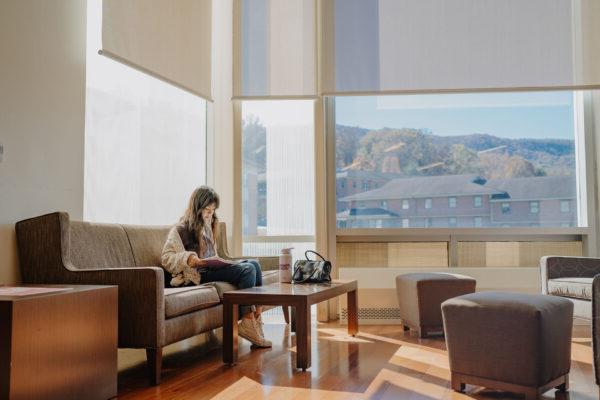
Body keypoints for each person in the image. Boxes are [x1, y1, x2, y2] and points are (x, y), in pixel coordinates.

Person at [161, 186, 271, 348]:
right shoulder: (179, 229)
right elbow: (166, 258)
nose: (209, 214)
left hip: (211, 269)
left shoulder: (209, 226)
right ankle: (247, 320)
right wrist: (188, 258)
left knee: (254, 263)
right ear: (196, 207)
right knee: (248, 270)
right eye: (207, 210)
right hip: (198, 274)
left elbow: (212, 254)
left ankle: (255, 318)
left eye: (212, 210)